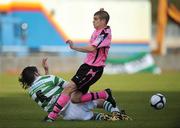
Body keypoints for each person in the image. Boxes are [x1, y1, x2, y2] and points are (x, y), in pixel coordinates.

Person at [46, 8, 114, 122]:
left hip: (93, 69)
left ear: (103, 21)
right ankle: (104, 94)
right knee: (75, 98)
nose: (93, 21)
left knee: (68, 88)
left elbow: (92, 48)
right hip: (87, 67)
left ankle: (51, 117)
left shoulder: (104, 33)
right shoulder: (98, 31)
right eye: (94, 19)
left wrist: (74, 47)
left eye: (96, 19)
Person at [18, 58, 132, 121]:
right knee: (97, 101)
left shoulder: (31, 92)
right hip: (72, 103)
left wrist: (47, 72)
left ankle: (115, 117)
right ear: (36, 73)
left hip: (68, 116)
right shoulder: (50, 78)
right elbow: (69, 87)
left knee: (96, 117)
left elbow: (47, 91)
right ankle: (116, 111)